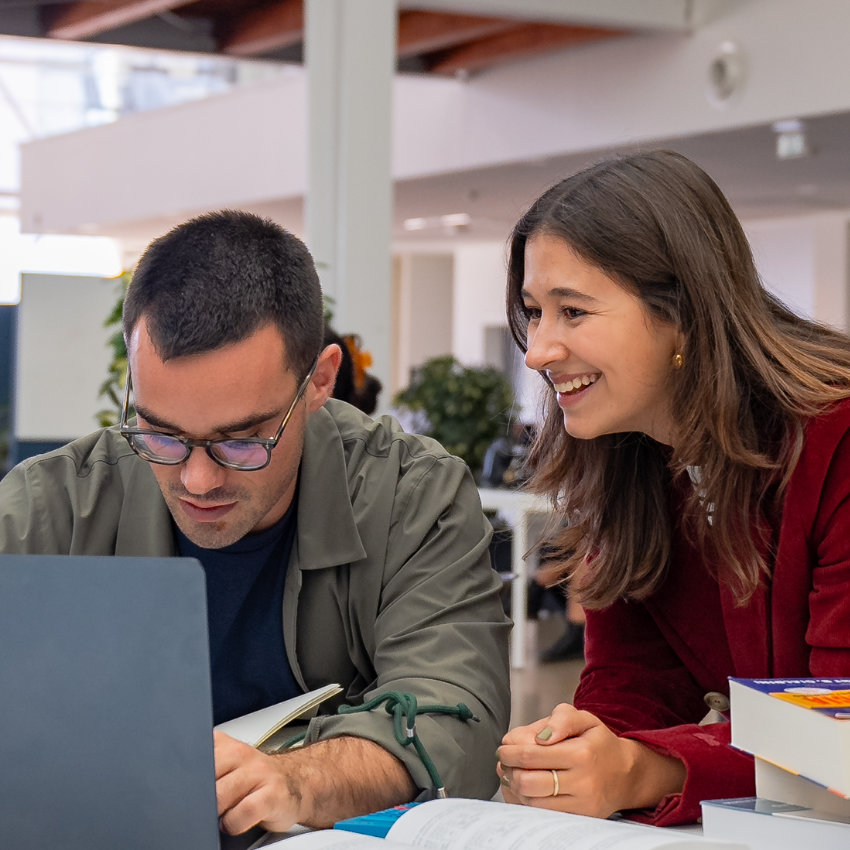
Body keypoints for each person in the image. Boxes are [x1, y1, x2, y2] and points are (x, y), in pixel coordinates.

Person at [0, 210, 511, 835]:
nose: (197, 480)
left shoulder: (410, 494)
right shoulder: (55, 502)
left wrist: (299, 780)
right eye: (162, 434)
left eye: (241, 441)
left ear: (320, 380)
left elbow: (458, 715)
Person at [495, 150, 850, 826]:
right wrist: (586, 749)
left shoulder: (837, 438)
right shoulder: (629, 454)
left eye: (572, 311)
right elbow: (634, 675)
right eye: (534, 312)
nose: (538, 350)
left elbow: (842, 727)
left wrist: (649, 768)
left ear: (681, 312)